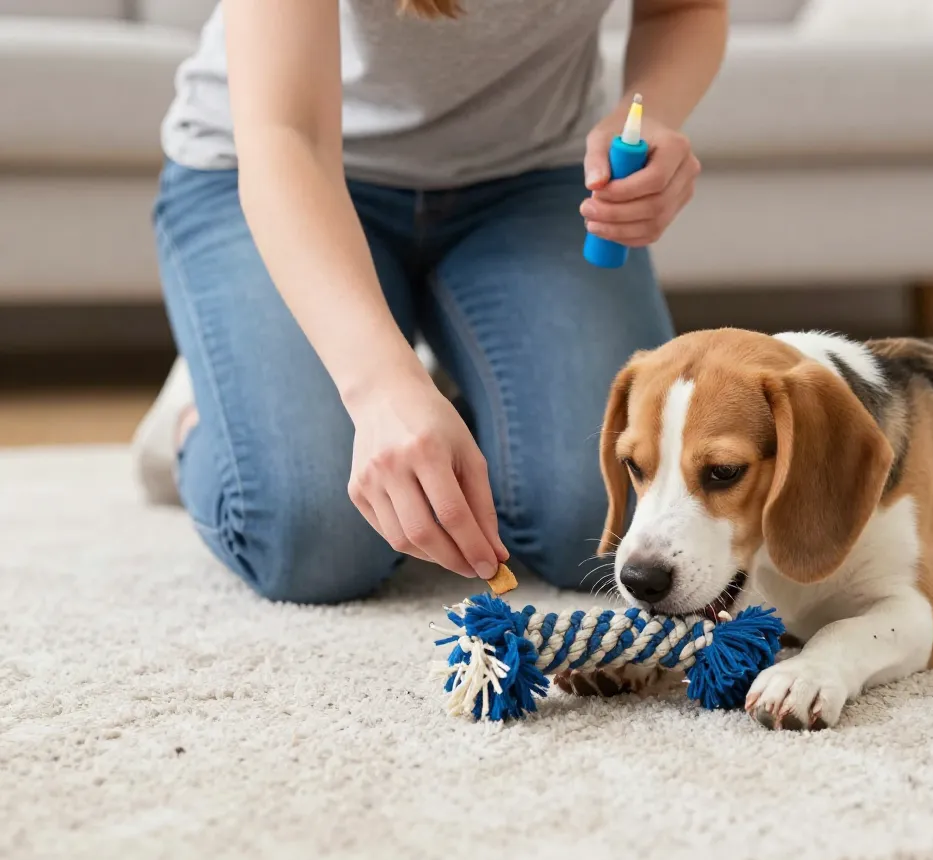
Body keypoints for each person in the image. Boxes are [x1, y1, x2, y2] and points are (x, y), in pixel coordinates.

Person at [132, 0, 727, 604]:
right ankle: (199, 416)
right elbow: (290, 136)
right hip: (287, 165)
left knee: (604, 516)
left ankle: (439, 405)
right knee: (317, 539)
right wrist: (381, 389)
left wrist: (649, 115)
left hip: (526, 178)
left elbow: (684, 8)